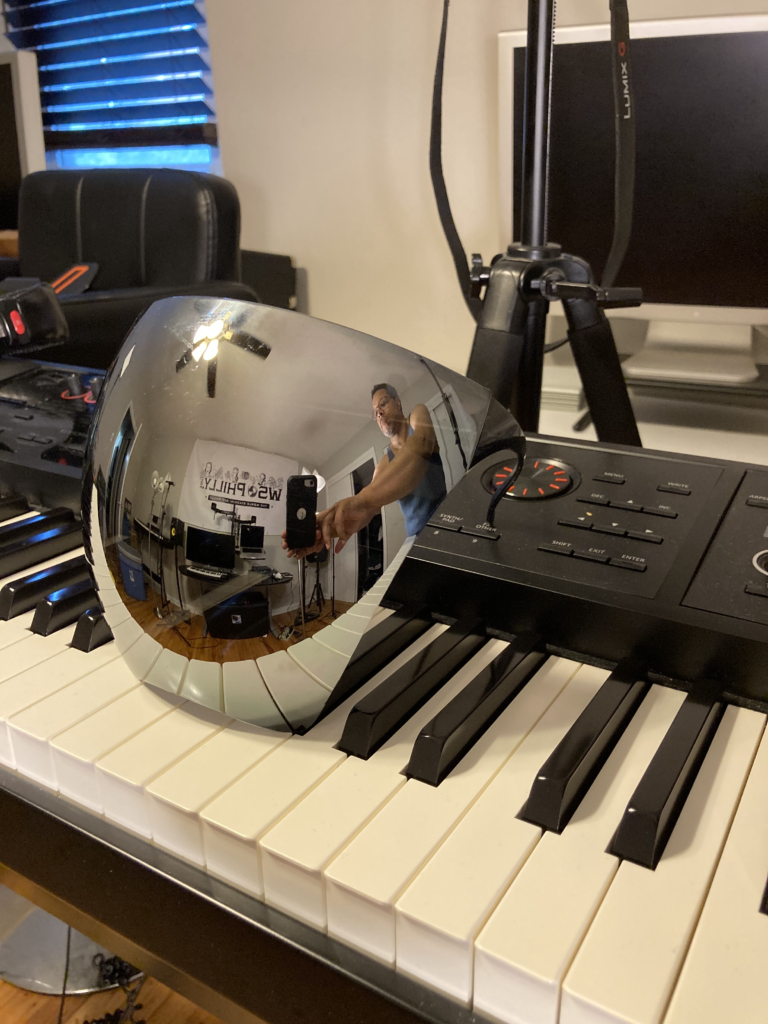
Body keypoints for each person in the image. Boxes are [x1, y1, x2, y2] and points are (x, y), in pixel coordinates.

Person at [283, 383, 446, 558]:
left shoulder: (417, 414)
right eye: (375, 412)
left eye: (383, 404)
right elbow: (370, 505)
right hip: (414, 538)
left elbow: (421, 446)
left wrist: (359, 501)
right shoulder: (383, 464)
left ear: (398, 403)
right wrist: (332, 527)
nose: (379, 413)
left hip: (444, 525)